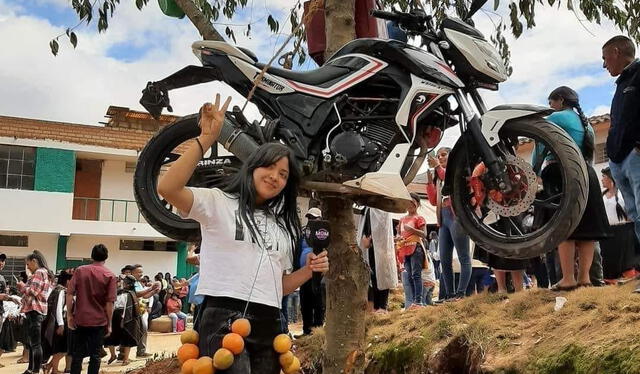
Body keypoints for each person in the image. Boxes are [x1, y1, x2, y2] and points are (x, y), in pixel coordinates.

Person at [157, 94, 329, 373]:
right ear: (252, 167)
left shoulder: (283, 227)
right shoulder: (218, 202)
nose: (275, 177)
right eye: (269, 167)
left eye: (283, 175)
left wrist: (309, 270)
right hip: (223, 317)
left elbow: (279, 285)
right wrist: (205, 140)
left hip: (272, 321)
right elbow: (168, 189)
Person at [534, 86, 611, 291]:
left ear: (560, 100)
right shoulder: (588, 125)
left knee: (565, 226)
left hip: (561, 171)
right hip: (587, 173)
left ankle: (568, 278)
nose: (550, 107)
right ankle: (585, 278)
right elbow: (590, 154)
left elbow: (539, 143)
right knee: (588, 229)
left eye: (551, 102)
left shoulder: (557, 118)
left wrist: (534, 171)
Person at [601, 36, 640, 293]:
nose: (604, 65)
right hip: (618, 159)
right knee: (636, 215)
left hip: (635, 155)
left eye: (605, 58)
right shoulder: (621, 83)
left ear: (616, 52)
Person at [426, 147, 472, 300]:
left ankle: (461, 292)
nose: (440, 158)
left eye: (443, 155)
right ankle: (449, 294)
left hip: (456, 215)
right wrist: (429, 183)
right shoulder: (438, 176)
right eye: (438, 156)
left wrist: (438, 167)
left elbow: (452, 183)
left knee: (463, 256)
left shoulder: (457, 170)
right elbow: (433, 201)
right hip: (443, 216)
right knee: (444, 259)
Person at [66, 244, 117, 374]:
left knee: (77, 353)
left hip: (80, 318)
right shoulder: (110, 275)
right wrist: (110, 323)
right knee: (95, 354)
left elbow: (70, 293)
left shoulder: (80, 270)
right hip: (99, 321)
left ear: (92, 256)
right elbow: (109, 302)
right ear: (106, 257)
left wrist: (70, 315)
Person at [17, 250, 54, 374]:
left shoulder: (39, 272)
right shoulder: (44, 273)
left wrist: (23, 287)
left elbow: (33, 291)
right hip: (39, 311)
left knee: (36, 344)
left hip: (35, 311)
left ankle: (35, 370)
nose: (27, 267)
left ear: (34, 261)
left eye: (28, 264)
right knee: (34, 343)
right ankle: (31, 369)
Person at [600, 167, 639, 282]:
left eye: (604, 177)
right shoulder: (601, 196)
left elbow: (632, 212)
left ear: (611, 178)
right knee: (609, 261)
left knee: (624, 262)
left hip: (624, 233)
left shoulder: (623, 194)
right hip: (607, 233)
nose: (602, 180)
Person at [358, 207, 398, 313]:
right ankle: (375, 307)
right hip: (369, 249)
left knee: (382, 274)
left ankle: (382, 306)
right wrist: (365, 239)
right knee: (372, 276)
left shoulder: (383, 209)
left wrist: (371, 240)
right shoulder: (367, 208)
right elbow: (365, 226)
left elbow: (382, 230)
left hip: (381, 249)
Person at [295, 207, 326, 336]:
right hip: (303, 273)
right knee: (305, 303)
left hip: (318, 274)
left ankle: (317, 331)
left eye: (314, 218)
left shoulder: (324, 234)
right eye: (309, 218)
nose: (311, 220)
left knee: (318, 303)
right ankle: (306, 330)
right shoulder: (303, 232)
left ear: (320, 219)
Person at [396, 193, 427, 307]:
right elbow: (399, 233)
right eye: (408, 202)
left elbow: (424, 234)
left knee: (416, 275)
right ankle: (415, 301)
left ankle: (418, 301)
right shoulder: (402, 219)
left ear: (417, 204)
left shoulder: (419, 218)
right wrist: (398, 238)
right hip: (405, 248)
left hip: (416, 248)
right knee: (409, 276)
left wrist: (412, 229)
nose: (410, 205)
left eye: (413, 202)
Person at [105, 275, 143, 366]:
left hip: (125, 317)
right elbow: (111, 304)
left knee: (127, 337)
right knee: (109, 336)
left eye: (124, 281)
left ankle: (125, 359)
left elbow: (127, 308)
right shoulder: (116, 292)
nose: (122, 283)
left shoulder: (130, 294)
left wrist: (123, 319)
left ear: (128, 284)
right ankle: (113, 355)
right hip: (114, 315)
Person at [42, 271, 72, 374]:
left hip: (57, 322)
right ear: (68, 281)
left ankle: (50, 367)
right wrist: (61, 324)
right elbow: (58, 308)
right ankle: (53, 369)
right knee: (61, 348)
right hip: (61, 322)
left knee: (62, 347)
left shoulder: (57, 289)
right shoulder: (61, 291)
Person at [131, 264, 160, 358]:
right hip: (130, 310)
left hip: (139, 310)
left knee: (143, 329)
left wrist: (154, 292)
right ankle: (123, 354)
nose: (141, 274)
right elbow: (137, 294)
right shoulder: (130, 281)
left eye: (141, 272)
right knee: (128, 331)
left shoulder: (138, 283)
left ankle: (141, 351)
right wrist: (151, 288)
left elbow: (144, 296)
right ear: (133, 272)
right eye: (139, 272)